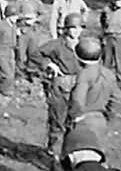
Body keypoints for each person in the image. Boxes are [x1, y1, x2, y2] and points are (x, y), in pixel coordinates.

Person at [29, 12, 83, 156]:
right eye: (73, 28)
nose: (76, 31)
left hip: (80, 86)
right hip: (61, 85)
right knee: (58, 120)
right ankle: (54, 152)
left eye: (79, 28)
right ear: (66, 29)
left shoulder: (83, 45)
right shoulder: (57, 44)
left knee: (76, 121)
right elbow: (35, 55)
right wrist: (49, 64)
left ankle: (70, 152)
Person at [69, 37, 119, 154]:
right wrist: (109, 117)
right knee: (98, 153)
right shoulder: (109, 74)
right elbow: (116, 99)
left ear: (77, 57)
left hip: (84, 120)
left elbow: (78, 99)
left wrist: (75, 117)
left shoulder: (84, 75)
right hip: (101, 119)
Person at [0, 4, 19, 105]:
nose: (16, 18)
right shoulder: (0, 26)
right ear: (8, 16)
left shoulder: (13, 26)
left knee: (11, 75)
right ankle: (1, 97)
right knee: (7, 75)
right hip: (1, 53)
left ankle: (4, 97)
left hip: (10, 53)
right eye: (14, 16)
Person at [16, 0, 45, 76]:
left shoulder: (37, 2)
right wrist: (25, 16)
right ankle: (19, 71)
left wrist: (35, 19)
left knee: (33, 51)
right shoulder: (19, 2)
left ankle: (31, 70)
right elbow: (14, 14)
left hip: (34, 29)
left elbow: (43, 15)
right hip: (23, 29)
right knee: (20, 52)